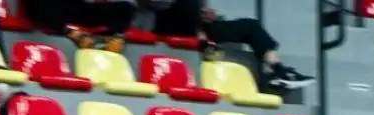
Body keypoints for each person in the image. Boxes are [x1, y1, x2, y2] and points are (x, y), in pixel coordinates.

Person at [152, 0, 313, 88]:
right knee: (188, 4)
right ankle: (205, 44)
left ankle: (278, 70)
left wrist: (208, 13)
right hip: (167, 23)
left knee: (251, 25)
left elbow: (202, 9)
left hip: (199, 25)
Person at [23, 0, 136, 53]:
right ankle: (71, 33)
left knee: (126, 7)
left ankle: (114, 37)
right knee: (44, 5)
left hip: (76, 7)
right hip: (51, 9)